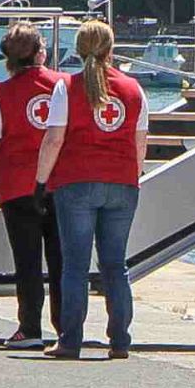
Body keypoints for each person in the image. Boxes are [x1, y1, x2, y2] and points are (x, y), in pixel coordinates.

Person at [34, 20, 148, 361]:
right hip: (122, 183)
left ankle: (71, 340)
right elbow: (140, 144)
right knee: (115, 264)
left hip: (76, 182)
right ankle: (120, 341)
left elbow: (54, 139)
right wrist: (132, 175)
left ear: (80, 48)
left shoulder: (66, 87)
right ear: (112, 49)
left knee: (75, 265)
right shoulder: (134, 89)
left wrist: (41, 182)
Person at [0, 22, 66, 350]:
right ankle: (66, 327)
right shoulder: (64, 85)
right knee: (61, 260)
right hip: (58, 183)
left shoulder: (0, 93)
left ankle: (30, 327)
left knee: (27, 261)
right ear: (41, 51)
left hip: (16, 187)